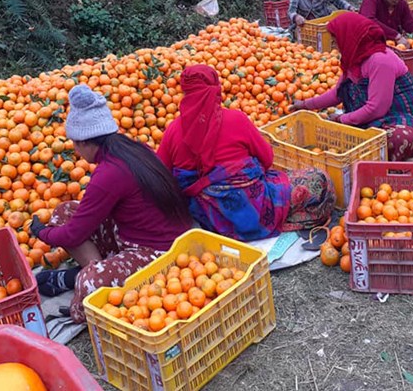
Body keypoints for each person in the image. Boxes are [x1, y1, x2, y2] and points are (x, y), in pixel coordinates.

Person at [31, 84, 193, 323]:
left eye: (75, 144)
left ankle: (86, 282)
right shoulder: (131, 148)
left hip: (162, 254)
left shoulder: (109, 173)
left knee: (90, 281)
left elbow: (75, 234)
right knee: (65, 211)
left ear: (86, 142)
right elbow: (84, 218)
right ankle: (95, 272)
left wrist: (42, 233)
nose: (75, 151)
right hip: (135, 235)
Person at [156, 65, 294, 241]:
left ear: (185, 93)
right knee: (317, 181)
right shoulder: (237, 119)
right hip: (255, 211)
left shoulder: (173, 130)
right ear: (217, 90)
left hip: (205, 218)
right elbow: (267, 159)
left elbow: (160, 176)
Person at [290, 13, 413, 161]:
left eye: (335, 41)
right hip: (370, 121)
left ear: (349, 38)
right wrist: (305, 105)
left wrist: (342, 119)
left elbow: (377, 108)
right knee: (329, 136)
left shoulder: (381, 61)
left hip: (397, 119)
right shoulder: (354, 58)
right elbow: (337, 94)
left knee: (399, 139)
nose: (334, 46)